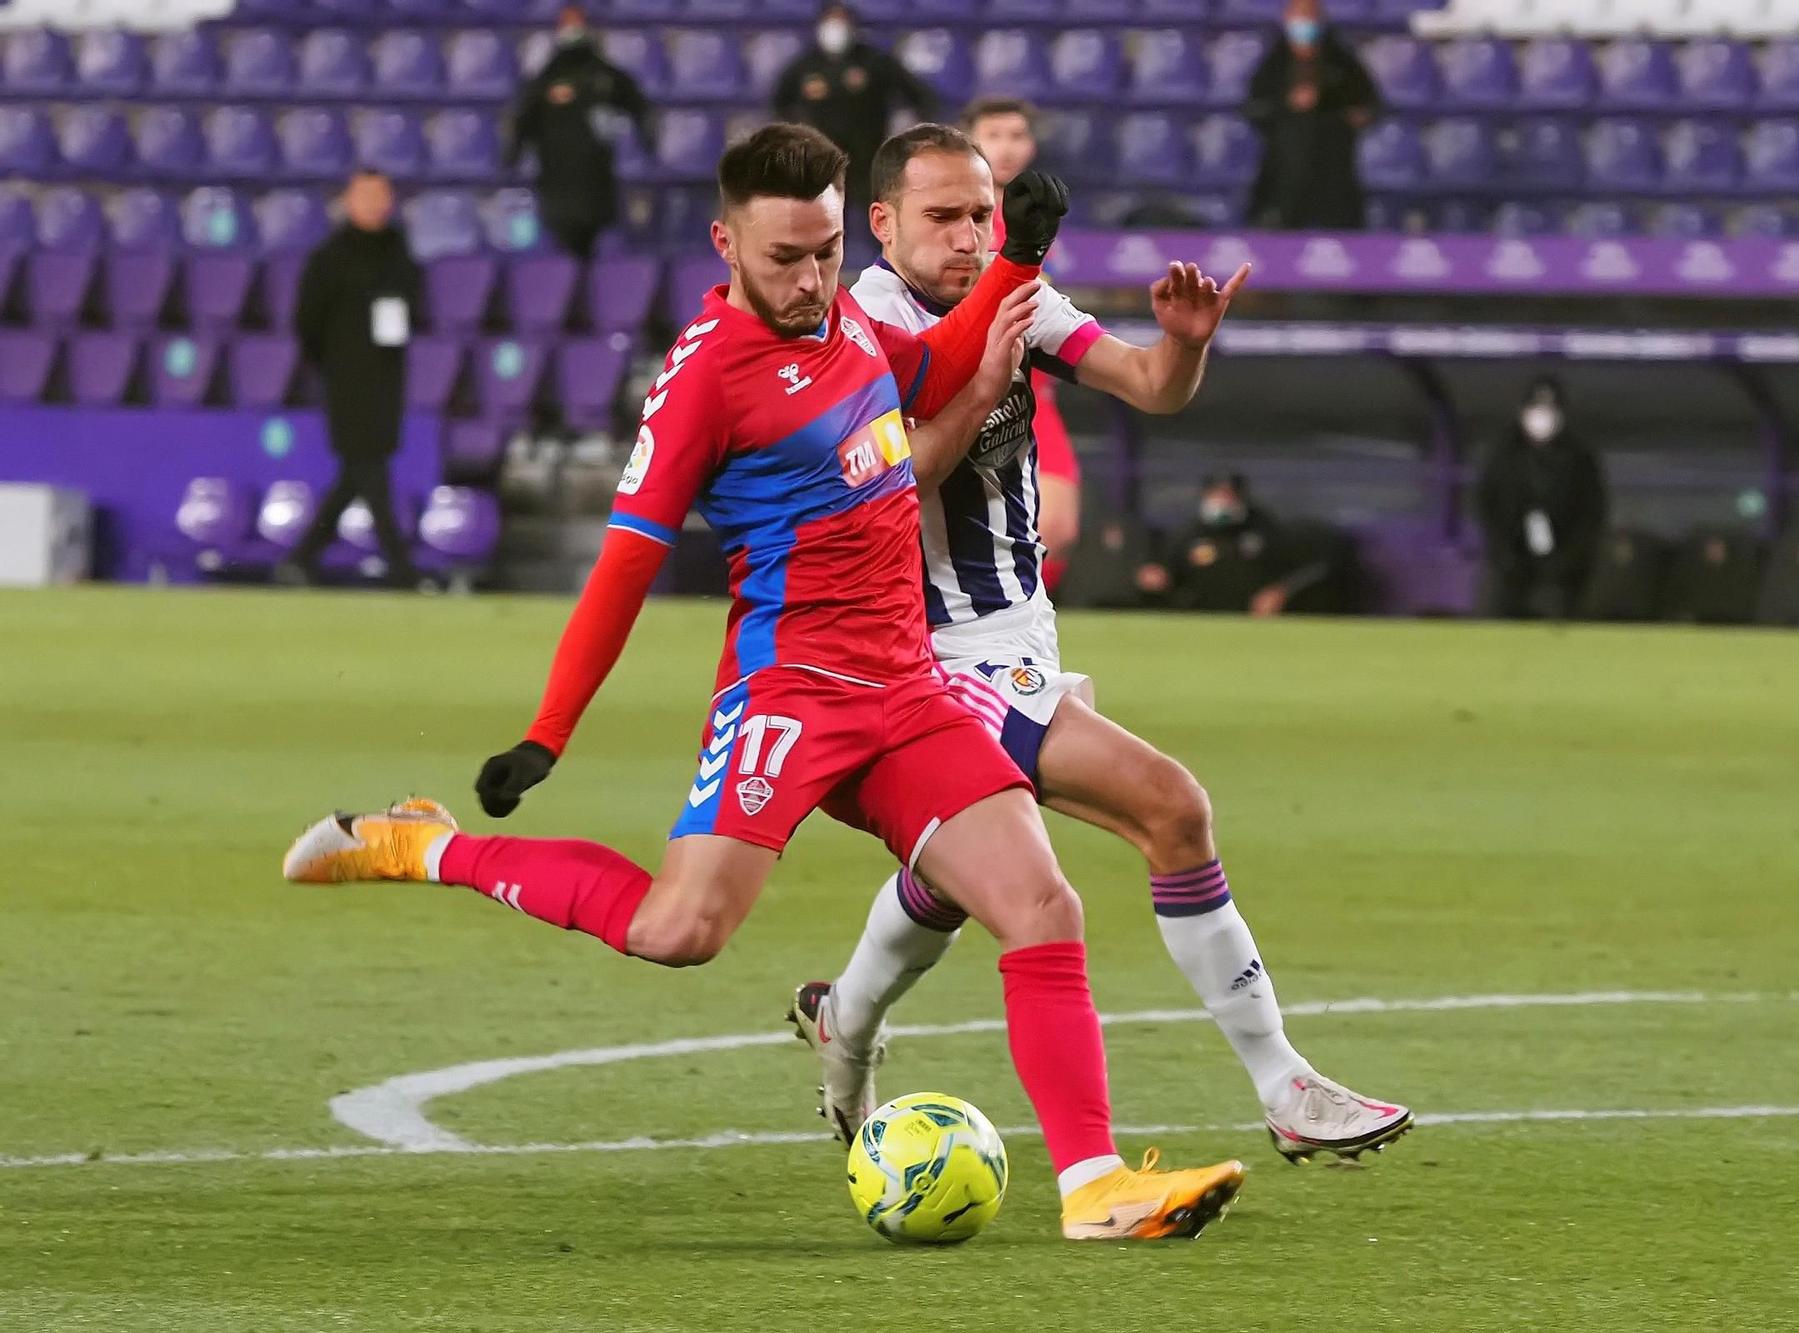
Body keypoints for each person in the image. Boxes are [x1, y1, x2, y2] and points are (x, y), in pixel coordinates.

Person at [280, 124, 1245, 1243]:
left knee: (1041, 906)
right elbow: (622, 570)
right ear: (725, 242)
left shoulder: (846, 315)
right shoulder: (700, 382)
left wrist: (1019, 264)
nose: (810, 280)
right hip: (790, 691)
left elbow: (930, 372)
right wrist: (547, 734)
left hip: (907, 682)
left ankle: (1092, 1187)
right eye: (784, 257)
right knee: (679, 930)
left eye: (827, 252)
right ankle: (427, 845)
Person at [788, 123, 1411, 1167]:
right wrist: (987, 369)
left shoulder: (1015, 297)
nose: (969, 237)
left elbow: (1148, 385)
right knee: (1169, 805)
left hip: (1017, 636)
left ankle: (843, 1017)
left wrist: (1186, 341)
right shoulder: (858, 330)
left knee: (950, 879)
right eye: (942, 217)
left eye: (983, 216)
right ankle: (1281, 1083)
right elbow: (892, 484)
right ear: (880, 225)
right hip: (928, 652)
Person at [283, 169, 423, 588]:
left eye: (382, 194)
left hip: (386, 377)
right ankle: (400, 566)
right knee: (369, 468)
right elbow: (307, 320)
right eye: (366, 195)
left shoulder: (399, 252)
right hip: (345, 378)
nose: (375, 203)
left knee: (356, 472)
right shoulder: (329, 257)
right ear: (348, 201)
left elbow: (413, 304)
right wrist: (328, 363)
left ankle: (303, 555)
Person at [964, 97, 1082, 586]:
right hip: (967, 384)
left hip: (1033, 387)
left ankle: (1026, 630)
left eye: (1017, 136)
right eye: (994, 135)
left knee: (1058, 526)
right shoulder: (959, 219)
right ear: (969, 140)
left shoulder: (1038, 216)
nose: (1007, 148)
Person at [504, 4, 651, 259]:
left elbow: (639, 106)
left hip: (596, 183)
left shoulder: (605, 77)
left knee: (593, 250)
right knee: (565, 249)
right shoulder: (546, 80)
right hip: (557, 184)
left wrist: (648, 143)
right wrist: (511, 157)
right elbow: (523, 120)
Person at [772, 3, 935, 220]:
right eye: (831, 21)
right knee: (823, 223)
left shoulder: (873, 61)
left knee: (881, 220)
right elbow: (779, 103)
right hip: (823, 161)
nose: (835, 28)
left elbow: (919, 95)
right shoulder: (805, 66)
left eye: (841, 21)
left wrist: (913, 131)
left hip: (869, 159)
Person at [1476, 376, 1607, 620]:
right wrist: (1503, 554)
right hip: (1509, 567)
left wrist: (1568, 561)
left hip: (1564, 572)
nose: (1541, 418)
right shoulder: (1504, 453)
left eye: (1549, 411)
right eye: (1535, 409)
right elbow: (1486, 504)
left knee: (1558, 624)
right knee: (1501, 622)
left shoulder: (1579, 457)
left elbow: (1592, 512)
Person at [1243, 0, 1380, 230]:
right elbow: (1254, 108)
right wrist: (1287, 104)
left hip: (1334, 168)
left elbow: (1369, 104)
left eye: (1309, 16)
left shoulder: (1341, 62)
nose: (1303, 23)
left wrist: (1348, 112)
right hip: (1285, 171)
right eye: (1298, 16)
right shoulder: (1274, 64)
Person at [1136, 472, 1318, 616]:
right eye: (1216, 495)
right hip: (1200, 617)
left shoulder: (1264, 527)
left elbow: (1297, 570)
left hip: (1254, 619)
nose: (1222, 502)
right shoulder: (1189, 532)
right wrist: (1156, 576)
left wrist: (1279, 592)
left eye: (1228, 495)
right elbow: (1166, 572)